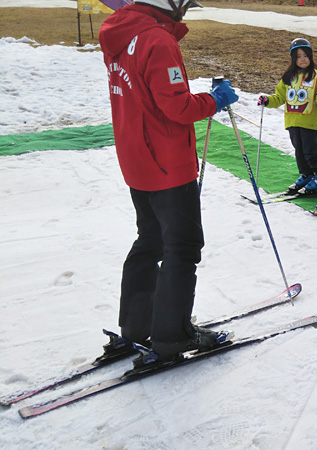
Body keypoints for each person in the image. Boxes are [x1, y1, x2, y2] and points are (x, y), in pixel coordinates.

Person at [98, 0, 239, 366]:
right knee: (182, 246)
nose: (185, 11)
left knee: (151, 240)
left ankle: (137, 327)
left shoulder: (123, 34)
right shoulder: (156, 40)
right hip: (166, 164)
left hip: (138, 159)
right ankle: (172, 335)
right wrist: (215, 100)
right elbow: (177, 107)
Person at [258, 38, 317, 194]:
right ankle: (307, 174)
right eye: (298, 56)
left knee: (310, 150)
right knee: (298, 150)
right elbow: (280, 97)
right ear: (293, 59)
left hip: (308, 120)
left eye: (305, 55)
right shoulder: (288, 77)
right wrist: (267, 100)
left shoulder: (316, 75)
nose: (302, 59)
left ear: (310, 56)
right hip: (292, 120)